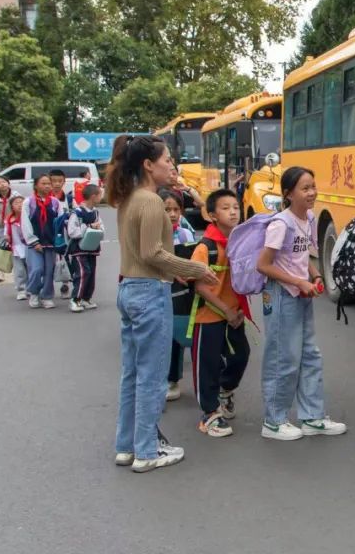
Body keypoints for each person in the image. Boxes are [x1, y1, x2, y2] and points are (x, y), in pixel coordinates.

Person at [107, 134, 218, 473]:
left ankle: (127, 446)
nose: (171, 165)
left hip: (129, 289)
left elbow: (144, 254)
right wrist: (194, 268)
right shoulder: (151, 201)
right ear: (147, 164)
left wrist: (177, 271)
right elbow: (153, 253)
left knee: (132, 374)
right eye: (167, 159)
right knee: (153, 376)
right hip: (149, 292)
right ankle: (147, 450)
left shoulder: (128, 198)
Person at [256, 166, 347, 441]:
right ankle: (274, 421)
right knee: (283, 358)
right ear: (288, 194)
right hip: (282, 296)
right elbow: (263, 265)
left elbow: (300, 256)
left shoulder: (308, 218)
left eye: (313, 186)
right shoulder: (280, 224)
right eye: (305, 188)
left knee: (309, 356)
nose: (312, 193)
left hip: (301, 294)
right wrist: (298, 282)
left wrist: (315, 275)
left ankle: (312, 417)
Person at [190, 189, 251, 438]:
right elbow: (200, 285)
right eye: (226, 208)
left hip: (234, 314)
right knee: (207, 365)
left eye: (235, 206)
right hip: (210, 316)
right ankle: (209, 414)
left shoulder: (240, 241)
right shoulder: (205, 248)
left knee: (241, 356)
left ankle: (225, 391)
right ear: (213, 215)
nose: (233, 211)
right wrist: (225, 309)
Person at [161, 188, 196, 403]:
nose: (173, 214)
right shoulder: (152, 235)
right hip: (160, 290)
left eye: (176, 209)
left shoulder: (185, 234)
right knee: (166, 338)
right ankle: (167, 380)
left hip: (183, 291)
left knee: (182, 333)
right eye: (167, 210)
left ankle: (184, 379)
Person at [21, 174, 63, 309]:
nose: (46, 186)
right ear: (36, 185)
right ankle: (33, 292)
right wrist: (33, 241)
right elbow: (25, 223)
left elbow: (61, 221)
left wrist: (59, 239)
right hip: (35, 243)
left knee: (49, 270)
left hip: (51, 242)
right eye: (43, 183)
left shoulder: (55, 202)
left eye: (48, 184)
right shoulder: (29, 202)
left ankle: (47, 296)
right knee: (37, 269)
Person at [65, 184, 104, 312]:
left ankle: (86, 298)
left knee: (91, 273)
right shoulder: (77, 213)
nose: (101, 198)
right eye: (99, 195)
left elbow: (102, 228)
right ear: (93, 197)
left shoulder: (95, 212)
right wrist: (88, 227)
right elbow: (72, 231)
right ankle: (75, 299)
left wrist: (98, 228)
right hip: (78, 249)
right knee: (83, 272)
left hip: (92, 247)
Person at [48, 169, 73, 298]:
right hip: (47, 234)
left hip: (64, 234)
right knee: (49, 262)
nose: (57, 184)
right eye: (54, 181)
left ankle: (65, 286)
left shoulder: (69, 198)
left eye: (60, 181)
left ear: (64, 181)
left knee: (64, 259)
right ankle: (46, 289)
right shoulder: (45, 198)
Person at [5, 196, 28, 300]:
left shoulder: (28, 216)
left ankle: (31, 288)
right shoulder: (9, 220)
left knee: (31, 269)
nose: (19, 204)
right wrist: (7, 236)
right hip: (17, 249)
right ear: (12, 207)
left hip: (29, 247)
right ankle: (21, 289)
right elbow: (6, 232)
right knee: (19, 271)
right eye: (16, 203)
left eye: (21, 202)